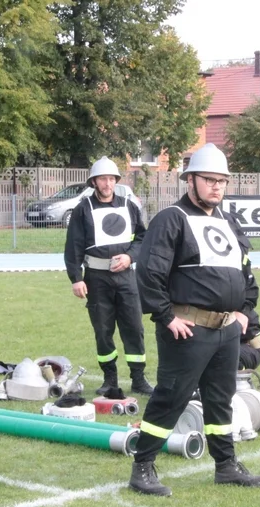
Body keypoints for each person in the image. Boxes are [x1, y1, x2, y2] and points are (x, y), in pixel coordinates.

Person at [129, 143, 260, 496]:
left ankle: (226, 466)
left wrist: (243, 312)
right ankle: (142, 467)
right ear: (190, 180)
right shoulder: (171, 219)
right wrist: (165, 316)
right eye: (209, 179)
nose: (217, 187)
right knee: (171, 398)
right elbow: (148, 273)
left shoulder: (228, 220)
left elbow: (245, 272)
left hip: (226, 331)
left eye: (222, 180)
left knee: (221, 399)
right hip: (188, 330)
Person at [64, 157, 154, 400]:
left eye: (111, 179)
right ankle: (109, 378)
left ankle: (138, 378)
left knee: (134, 328)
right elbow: (73, 246)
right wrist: (76, 278)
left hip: (126, 277)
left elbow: (142, 238)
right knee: (103, 330)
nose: (107, 183)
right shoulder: (83, 209)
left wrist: (129, 257)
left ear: (116, 181)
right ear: (94, 181)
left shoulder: (129, 206)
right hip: (96, 278)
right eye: (102, 179)